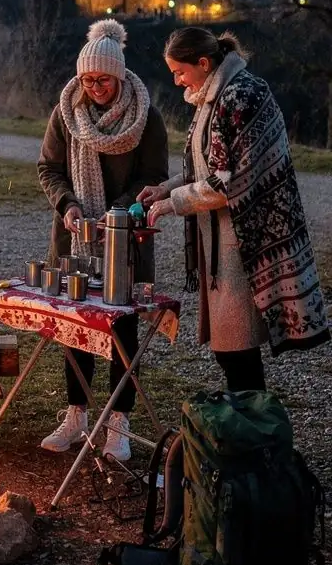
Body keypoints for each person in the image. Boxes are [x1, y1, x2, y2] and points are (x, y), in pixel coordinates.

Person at [140, 27, 329, 390]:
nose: (178, 82)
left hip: (248, 237)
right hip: (223, 239)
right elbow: (204, 169)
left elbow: (228, 182)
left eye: (180, 72)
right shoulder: (211, 96)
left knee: (236, 347)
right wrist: (163, 188)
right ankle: (249, 425)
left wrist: (171, 204)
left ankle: (254, 430)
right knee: (230, 350)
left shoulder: (240, 96)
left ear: (204, 63)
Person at [37, 19, 169, 461]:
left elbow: (155, 178)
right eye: (88, 78)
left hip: (126, 238)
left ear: (120, 75)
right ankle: (76, 415)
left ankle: (119, 423)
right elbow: (48, 169)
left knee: (122, 329)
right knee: (75, 322)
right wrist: (69, 204)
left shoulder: (145, 117)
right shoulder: (65, 111)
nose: (94, 87)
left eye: (103, 79)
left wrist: (116, 213)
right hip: (74, 235)